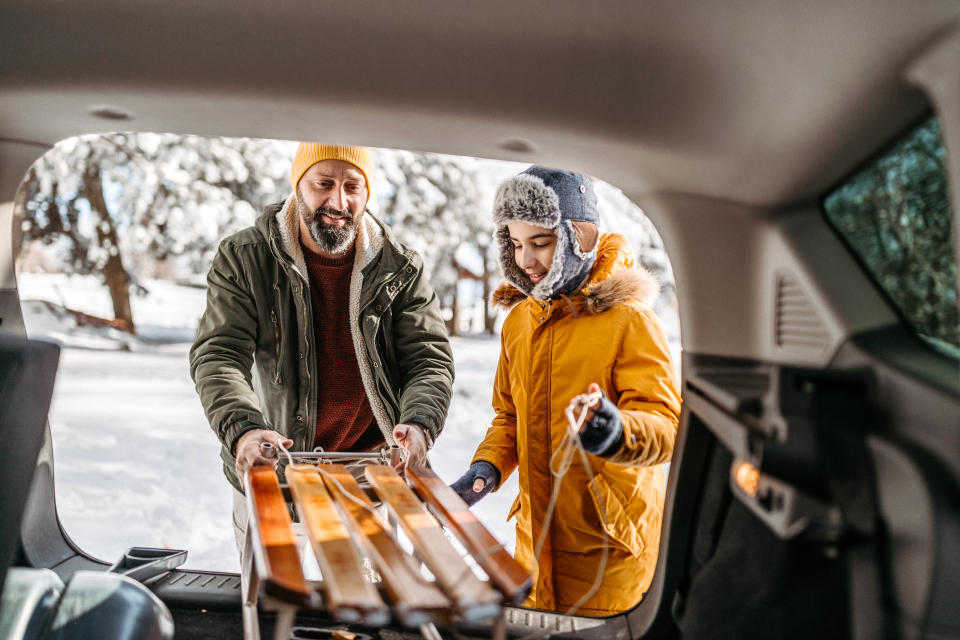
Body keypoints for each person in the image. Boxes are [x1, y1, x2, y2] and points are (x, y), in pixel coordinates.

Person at [189, 143, 454, 555]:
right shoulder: (244, 258)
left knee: (368, 610)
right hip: (273, 468)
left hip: (369, 475)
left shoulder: (400, 268)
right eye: (323, 183)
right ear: (298, 185)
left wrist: (419, 422)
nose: (338, 201)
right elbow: (220, 355)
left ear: (368, 193)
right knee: (271, 604)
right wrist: (243, 430)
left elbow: (428, 360)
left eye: (353, 186)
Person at [450, 166, 681, 616]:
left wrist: (615, 431)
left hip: (607, 551)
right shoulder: (518, 323)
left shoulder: (630, 321)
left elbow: (665, 425)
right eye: (515, 244)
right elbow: (509, 416)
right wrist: (487, 468)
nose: (526, 260)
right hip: (534, 548)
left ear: (582, 237)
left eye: (541, 243)